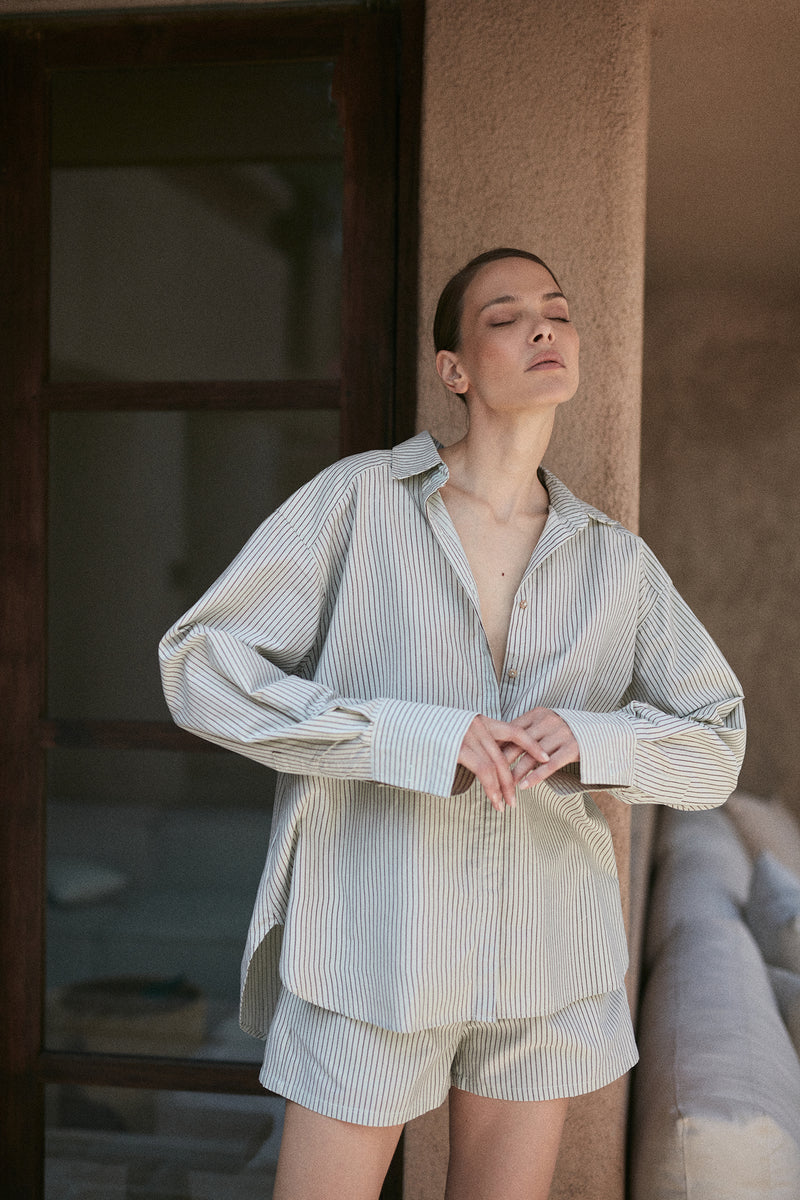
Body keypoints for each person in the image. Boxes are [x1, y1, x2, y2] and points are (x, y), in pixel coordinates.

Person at [159, 248, 745, 1200]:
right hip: (372, 944)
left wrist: (592, 740)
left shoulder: (616, 563)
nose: (544, 328)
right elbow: (201, 666)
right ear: (455, 370)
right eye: (507, 316)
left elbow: (718, 740)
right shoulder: (359, 503)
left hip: (544, 952)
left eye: (557, 310)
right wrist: (416, 737)